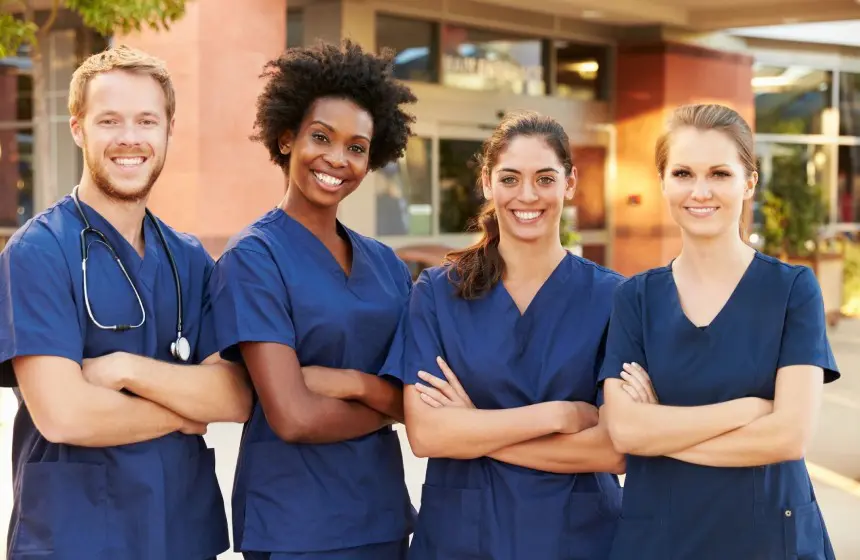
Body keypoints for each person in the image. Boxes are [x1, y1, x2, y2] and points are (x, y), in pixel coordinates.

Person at [0, 45, 252, 559]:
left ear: (168, 131)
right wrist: (184, 413)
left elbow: (235, 396)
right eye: (109, 120)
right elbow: (65, 415)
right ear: (78, 128)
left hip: (181, 533)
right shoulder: (37, 252)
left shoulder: (188, 259)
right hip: (77, 536)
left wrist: (124, 369)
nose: (130, 139)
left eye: (147, 121)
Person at [598, 103, 840, 559]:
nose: (700, 191)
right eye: (683, 173)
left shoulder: (792, 291)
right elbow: (626, 433)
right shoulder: (634, 298)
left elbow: (788, 437)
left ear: (749, 182)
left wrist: (663, 434)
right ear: (663, 182)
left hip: (769, 537)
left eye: (720, 174)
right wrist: (748, 410)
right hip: (660, 539)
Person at [206, 40, 417, 560]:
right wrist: (386, 404)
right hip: (296, 525)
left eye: (357, 147)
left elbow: (415, 400)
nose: (336, 159)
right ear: (285, 138)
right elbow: (293, 417)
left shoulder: (387, 264)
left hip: (382, 517)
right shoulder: (254, 257)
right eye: (321, 137)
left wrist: (350, 382)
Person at [388, 111, 626, 560]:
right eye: (511, 178)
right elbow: (428, 436)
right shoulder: (438, 294)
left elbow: (614, 450)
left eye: (545, 178)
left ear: (570, 183)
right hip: (462, 540)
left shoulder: (614, 298)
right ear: (486, 182)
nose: (527, 195)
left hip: (578, 541)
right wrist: (557, 414)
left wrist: (473, 427)